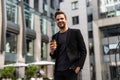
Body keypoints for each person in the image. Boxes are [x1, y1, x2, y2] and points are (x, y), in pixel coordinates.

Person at [50, 9, 87, 80]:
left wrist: (78, 67)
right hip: (58, 72)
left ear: (66, 19)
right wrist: (52, 51)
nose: (60, 20)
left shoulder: (76, 32)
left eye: (62, 18)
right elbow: (54, 56)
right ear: (56, 21)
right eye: (58, 19)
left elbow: (83, 51)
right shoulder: (54, 37)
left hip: (71, 70)